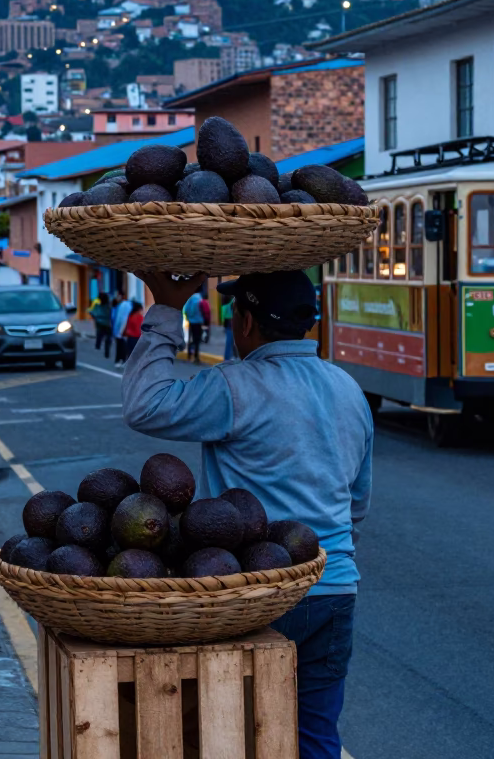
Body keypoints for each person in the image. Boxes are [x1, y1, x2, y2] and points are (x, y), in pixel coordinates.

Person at [124, 268, 373, 759]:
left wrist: (167, 311)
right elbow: (357, 503)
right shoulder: (349, 389)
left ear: (246, 323)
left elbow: (143, 405)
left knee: (234, 737)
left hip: (253, 594)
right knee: (315, 737)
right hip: (334, 587)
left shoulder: (234, 386)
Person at [112, 292, 133, 370]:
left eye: (119, 295)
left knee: (122, 346)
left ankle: (121, 360)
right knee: (120, 346)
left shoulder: (124, 305)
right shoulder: (118, 306)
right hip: (120, 330)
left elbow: (122, 319)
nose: (117, 297)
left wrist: (120, 331)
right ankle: (120, 360)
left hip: (122, 330)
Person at [183, 289, 204, 363]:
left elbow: (186, 310)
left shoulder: (190, 299)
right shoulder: (200, 298)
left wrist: (189, 318)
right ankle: (196, 357)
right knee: (197, 339)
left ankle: (189, 355)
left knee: (190, 338)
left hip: (191, 322)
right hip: (198, 322)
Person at [90, 292, 112, 359]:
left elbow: (93, 313)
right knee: (107, 339)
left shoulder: (99, 306)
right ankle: (106, 352)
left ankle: (98, 347)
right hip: (107, 324)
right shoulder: (108, 306)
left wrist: (95, 317)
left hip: (101, 324)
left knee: (99, 335)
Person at [220, 294, 236, 360]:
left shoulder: (226, 304)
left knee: (231, 342)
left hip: (228, 324)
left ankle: (229, 357)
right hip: (231, 324)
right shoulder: (232, 303)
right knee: (230, 342)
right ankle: (228, 358)